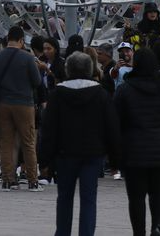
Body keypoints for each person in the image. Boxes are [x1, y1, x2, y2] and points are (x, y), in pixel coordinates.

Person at [39, 51, 120, 236]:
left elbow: (49, 129)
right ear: (90, 68)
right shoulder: (100, 94)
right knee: (89, 199)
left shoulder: (57, 94)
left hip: (65, 153)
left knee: (64, 198)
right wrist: (115, 161)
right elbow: (111, 128)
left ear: (68, 69)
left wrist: (44, 161)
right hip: (92, 154)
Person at [114, 48, 160, 236]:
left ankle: (139, 232)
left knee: (136, 197)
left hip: (134, 152)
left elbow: (115, 123)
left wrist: (114, 153)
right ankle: (157, 227)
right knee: (159, 194)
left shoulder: (125, 89)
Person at [0, 25, 42, 191]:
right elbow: (37, 82)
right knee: (28, 143)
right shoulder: (28, 58)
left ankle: (8, 180)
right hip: (24, 104)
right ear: (22, 40)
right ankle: (32, 181)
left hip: (3, 104)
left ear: (8, 38)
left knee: (6, 142)